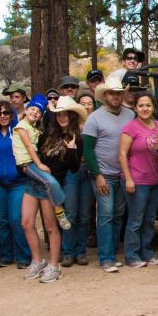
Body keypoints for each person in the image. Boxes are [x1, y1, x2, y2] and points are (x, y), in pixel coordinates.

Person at [82, 77, 135, 272]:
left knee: (119, 214)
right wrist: (97, 175)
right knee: (106, 214)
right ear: (105, 95)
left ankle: (111, 253)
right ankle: (105, 257)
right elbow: (88, 150)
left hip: (122, 174)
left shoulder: (130, 115)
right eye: (112, 93)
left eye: (119, 93)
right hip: (103, 174)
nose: (116, 96)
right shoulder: (94, 118)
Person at [16, 95, 67, 284]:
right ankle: (37, 261)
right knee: (26, 222)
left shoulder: (65, 136)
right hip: (33, 179)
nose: (60, 117)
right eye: (57, 114)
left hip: (45, 182)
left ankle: (54, 265)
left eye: (39, 111)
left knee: (50, 226)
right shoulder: (34, 129)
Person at [119, 93, 158, 268]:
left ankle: (147, 253)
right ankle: (132, 255)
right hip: (137, 180)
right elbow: (122, 155)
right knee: (136, 220)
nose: (145, 109)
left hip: (155, 180)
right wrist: (128, 179)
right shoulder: (130, 128)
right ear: (135, 108)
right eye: (141, 105)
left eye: (148, 105)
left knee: (149, 219)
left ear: (153, 107)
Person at [0, 100, 31, 269]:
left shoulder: (18, 132)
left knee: (16, 219)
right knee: (2, 220)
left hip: (18, 182)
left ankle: (24, 256)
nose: (3, 116)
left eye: (6, 113)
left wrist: (22, 170)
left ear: (11, 115)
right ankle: (6, 255)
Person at [45, 96, 90, 268]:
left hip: (80, 173)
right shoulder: (52, 135)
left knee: (84, 215)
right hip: (67, 177)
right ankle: (68, 252)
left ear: (72, 115)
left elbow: (75, 165)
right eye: (59, 114)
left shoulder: (79, 136)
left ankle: (80, 251)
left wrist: (71, 150)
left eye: (65, 114)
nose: (61, 117)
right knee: (69, 214)